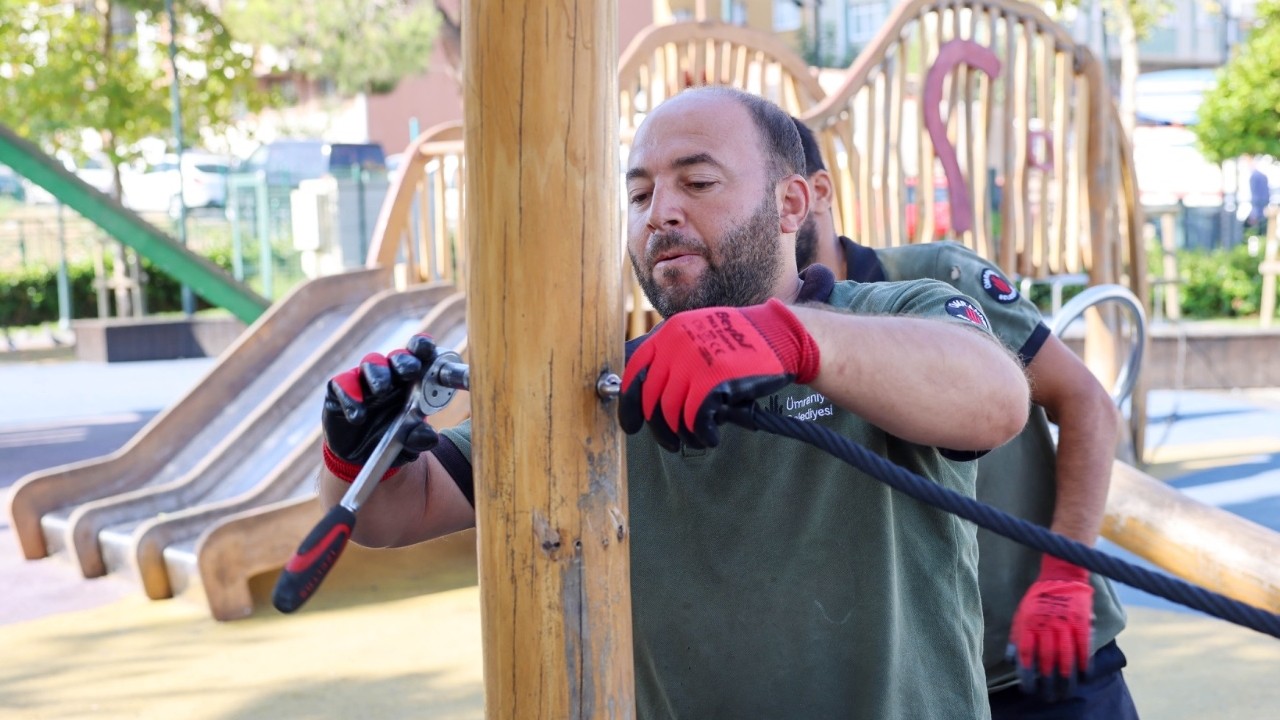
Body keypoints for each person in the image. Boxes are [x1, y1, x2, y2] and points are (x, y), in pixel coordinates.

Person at [318, 86, 1031, 719]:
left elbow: (997, 398)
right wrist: (353, 447)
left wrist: (780, 339)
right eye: (638, 196)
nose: (661, 213)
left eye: (697, 181)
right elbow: (397, 511)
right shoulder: (606, 381)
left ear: (790, 204)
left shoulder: (894, 310)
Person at [791, 116, 1139, 719]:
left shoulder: (936, 278)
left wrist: (1064, 576)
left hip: (1040, 657)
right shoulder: (749, 339)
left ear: (814, 193)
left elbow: (1086, 401)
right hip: (914, 689)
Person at [1245, 155, 1272, 238]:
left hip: (1257, 205)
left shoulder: (1255, 176)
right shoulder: (1262, 175)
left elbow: (1254, 193)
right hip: (1262, 204)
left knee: (1255, 228)